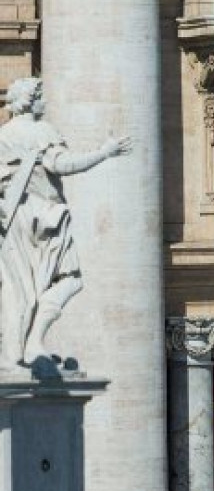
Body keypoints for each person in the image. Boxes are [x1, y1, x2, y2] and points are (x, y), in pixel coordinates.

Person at [0, 76, 131, 369]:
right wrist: (104, 152)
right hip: (45, 216)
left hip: (13, 220)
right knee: (68, 279)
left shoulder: (3, 135)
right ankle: (33, 344)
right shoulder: (40, 131)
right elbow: (62, 164)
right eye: (41, 96)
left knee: (22, 288)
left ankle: (18, 350)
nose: (45, 102)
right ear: (31, 100)